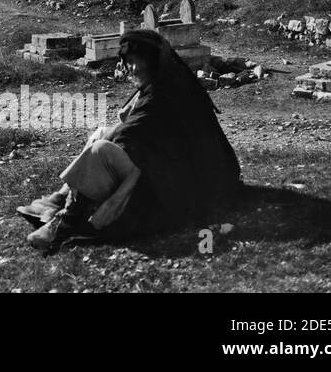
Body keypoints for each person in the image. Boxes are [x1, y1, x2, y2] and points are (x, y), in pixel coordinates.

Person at [17, 28, 241, 252]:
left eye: (137, 61)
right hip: (174, 166)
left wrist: (111, 140)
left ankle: (65, 222)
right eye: (128, 61)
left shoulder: (165, 92)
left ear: (152, 60)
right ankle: (61, 198)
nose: (131, 68)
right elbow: (138, 130)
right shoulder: (165, 79)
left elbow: (128, 133)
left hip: (193, 183)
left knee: (101, 148)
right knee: (101, 134)